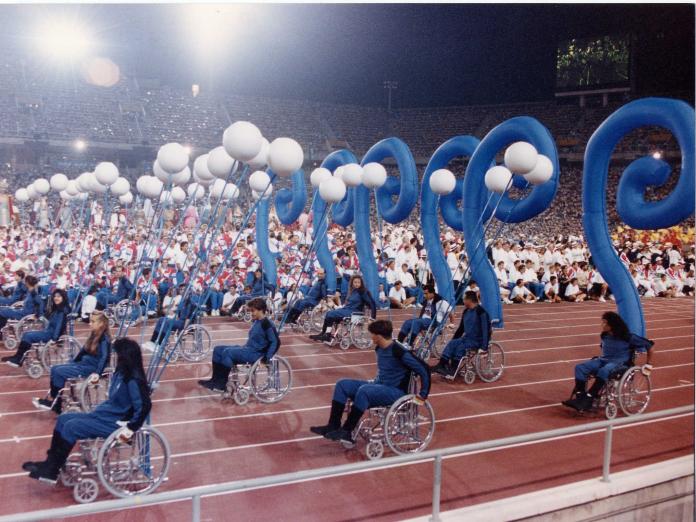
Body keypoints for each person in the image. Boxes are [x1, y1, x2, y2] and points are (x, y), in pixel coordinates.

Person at [22, 337, 151, 484]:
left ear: (125, 356)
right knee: (64, 418)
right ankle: (51, 462)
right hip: (104, 415)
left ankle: (52, 470)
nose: (114, 357)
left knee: (72, 427)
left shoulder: (134, 380)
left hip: (116, 424)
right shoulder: (120, 373)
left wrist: (131, 428)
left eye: (117, 354)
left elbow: (145, 406)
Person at [309, 319, 430, 444]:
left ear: (378, 336)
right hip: (379, 385)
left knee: (364, 391)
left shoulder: (399, 351)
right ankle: (333, 425)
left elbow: (424, 369)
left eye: (371, 334)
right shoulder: (379, 348)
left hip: (396, 391)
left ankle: (346, 431)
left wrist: (423, 394)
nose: (370, 337)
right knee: (342, 384)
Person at [562, 312, 654, 412]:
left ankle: (590, 397)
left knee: (604, 370)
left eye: (605, 323)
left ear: (612, 324)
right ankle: (580, 397)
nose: (602, 325)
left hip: (620, 364)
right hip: (604, 360)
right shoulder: (605, 336)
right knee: (580, 367)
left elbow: (649, 345)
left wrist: (648, 363)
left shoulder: (628, 337)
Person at [32, 310, 111, 413]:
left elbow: (104, 357)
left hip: (92, 367)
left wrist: (97, 373)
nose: (90, 324)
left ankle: (56, 404)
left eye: (92, 322)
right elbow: (83, 351)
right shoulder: (94, 335)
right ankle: (54, 400)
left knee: (59, 372)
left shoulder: (104, 339)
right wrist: (73, 362)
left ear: (101, 324)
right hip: (84, 363)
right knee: (55, 369)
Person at [198, 297, 280, 391]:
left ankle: (221, 383)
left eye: (253, 311)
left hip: (256, 354)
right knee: (217, 349)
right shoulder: (257, 321)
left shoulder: (267, 324)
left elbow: (276, 342)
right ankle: (215, 380)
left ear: (261, 310)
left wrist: (265, 359)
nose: (251, 313)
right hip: (248, 349)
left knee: (227, 352)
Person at [2, 288, 69, 367]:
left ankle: (18, 359)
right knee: (26, 334)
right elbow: (46, 318)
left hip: (51, 335)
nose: (56, 298)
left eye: (59, 296)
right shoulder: (57, 309)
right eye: (55, 296)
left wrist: (54, 340)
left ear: (63, 298)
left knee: (28, 336)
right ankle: (18, 357)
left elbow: (59, 326)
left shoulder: (62, 311)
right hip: (48, 331)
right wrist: (37, 316)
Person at [432, 291, 491, 377]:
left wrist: (484, 347)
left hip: (477, 341)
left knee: (460, 347)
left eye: (464, 299)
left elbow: (486, 330)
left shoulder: (481, 312)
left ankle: (453, 369)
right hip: (467, 338)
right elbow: (461, 328)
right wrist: (454, 339)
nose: (463, 300)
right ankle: (441, 365)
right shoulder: (466, 311)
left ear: (469, 300)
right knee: (452, 343)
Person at [309, 274, 376, 344]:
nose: (356, 284)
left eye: (358, 282)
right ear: (352, 283)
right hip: (347, 310)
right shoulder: (353, 291)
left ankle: (326, 334)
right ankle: (324, 334)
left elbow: (372, 303)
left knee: (330, 313)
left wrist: (372, 318)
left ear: (361, 283)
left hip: (354, 312)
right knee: (330, 314)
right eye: (355, 282)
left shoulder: (363, 292)